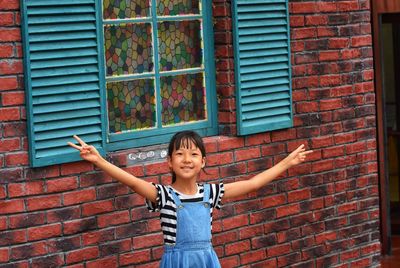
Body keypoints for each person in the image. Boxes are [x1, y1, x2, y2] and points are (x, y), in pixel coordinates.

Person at [68, 130, 312, 267]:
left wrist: (287, 162)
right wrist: (99, 160)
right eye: (180, 154)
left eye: (194, 154)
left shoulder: (211, 193)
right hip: (177, 262)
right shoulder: (163, 195)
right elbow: (132, 181)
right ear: (170, 161)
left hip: (206, 260)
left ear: (203, 161)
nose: (187, 159)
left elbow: (252, 184)